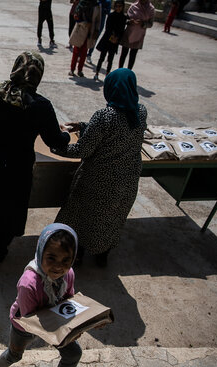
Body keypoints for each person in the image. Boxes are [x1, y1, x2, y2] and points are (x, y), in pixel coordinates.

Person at [0, 51, 70, 267]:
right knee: (6, 216)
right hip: (16, 170)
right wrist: (63, 132)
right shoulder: (40, 106)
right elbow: (56, 140)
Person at [54, 69, 147, 266]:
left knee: (82, 217)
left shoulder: (104, 116)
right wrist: (82, 125)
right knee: (111, 218)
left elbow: (82, 149)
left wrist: (56, 146)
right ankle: (102, 255)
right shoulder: (140, 111)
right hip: (127, 181)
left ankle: (76, 254)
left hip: (98, 181)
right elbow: (119, 131)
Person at [0, 223, 81, 367]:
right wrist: (64, 330)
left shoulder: (68, 274)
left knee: (74, 353)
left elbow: (69, 298)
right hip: (24, 326)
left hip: (55, 325)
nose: (58, 267)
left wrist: (79, 324)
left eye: (66, 260)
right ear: (40, 253)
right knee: (15, 355)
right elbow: (31, 319)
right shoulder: (29, 283)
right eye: (51, 258)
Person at [93, 0, 127, 79]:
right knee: (102, 57)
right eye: (117, 6)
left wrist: (117, 38)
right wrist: (112, 37)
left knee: (110, 59)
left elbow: (122, 30)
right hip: (107, 39)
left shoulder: (123, 17)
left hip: (115, 41)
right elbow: (107, 28)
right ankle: (97, 73)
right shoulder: (111, 15)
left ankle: (107, 75)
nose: (118, 8)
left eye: (120, 6)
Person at [118, 0, 154, 70]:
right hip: (129, 33)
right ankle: (120, 71)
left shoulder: (151, 9)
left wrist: (143, 23)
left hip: (139, 35)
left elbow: (150, 24)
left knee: (133, 55)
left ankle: (129, 72)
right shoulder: (133, 6)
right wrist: (130, 21)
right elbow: (126, 19)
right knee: (123, 54)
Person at [69, 0, 101, 77]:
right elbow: (76, 17)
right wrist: (85, 23)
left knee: (84, 52)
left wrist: (96, 30)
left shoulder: (97, 5)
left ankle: (80, 70)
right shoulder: (82, 3)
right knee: (76, 51)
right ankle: (72, 69)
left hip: (90, 32)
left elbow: (98, 20)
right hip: (81, 30)